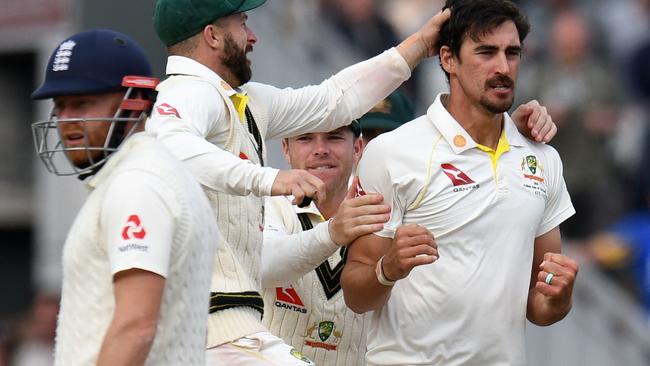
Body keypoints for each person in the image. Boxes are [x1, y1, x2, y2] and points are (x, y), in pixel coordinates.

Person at [148, 0, 556, 363]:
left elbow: (333, 101)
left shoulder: (242, 99)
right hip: (212, 325)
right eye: (241, 23)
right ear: (213, 36)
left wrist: (416, 47)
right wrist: (273, 180)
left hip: (231, 326)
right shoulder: (191, 90)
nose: (252, 35)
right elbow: (167, 143)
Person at [341, 1, 579, 365]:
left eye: (512, 53)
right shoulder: (393, 151)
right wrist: (388, 269)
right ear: (448, 58)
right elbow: (356, 295)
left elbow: (539, 305)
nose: (503, 67)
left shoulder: (543, 159)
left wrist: (559, 297)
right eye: (486, 52)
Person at [260, 93, 559, 365]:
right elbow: (266, 263)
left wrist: (507, 132)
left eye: (335, 137)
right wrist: (334, 232)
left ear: (357, 148)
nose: (320, 150)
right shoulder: (264, 205)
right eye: (305, 139)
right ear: (285, 149)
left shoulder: (408, 199)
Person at [30, 29, 219, 365]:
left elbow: (137, 326)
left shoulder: (139, 182)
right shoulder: (150, 174)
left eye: (83, 102)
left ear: (136, 101)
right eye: (60, 106)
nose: (67, 121)